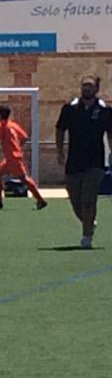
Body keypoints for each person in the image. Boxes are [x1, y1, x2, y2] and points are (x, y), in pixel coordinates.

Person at [55, 75, 112, 249]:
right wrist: (59, 151)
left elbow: (110, 133)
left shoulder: (104, 110)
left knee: (89, 200)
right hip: (74, 161)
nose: (87, 89)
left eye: (90, 86)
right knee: (75, 200)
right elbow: (60, 129)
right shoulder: (70, 108)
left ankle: (87, 236)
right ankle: (89, 222)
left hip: (95, 162)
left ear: (96, 89)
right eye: (84, 86)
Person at [0, 105, 46, 211]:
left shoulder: (1, 124)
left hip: (12, 157)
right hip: (13, 156)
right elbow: (25, 137)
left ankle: (40, 200)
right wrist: (17, 147)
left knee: (23, 178)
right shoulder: (13, 125)